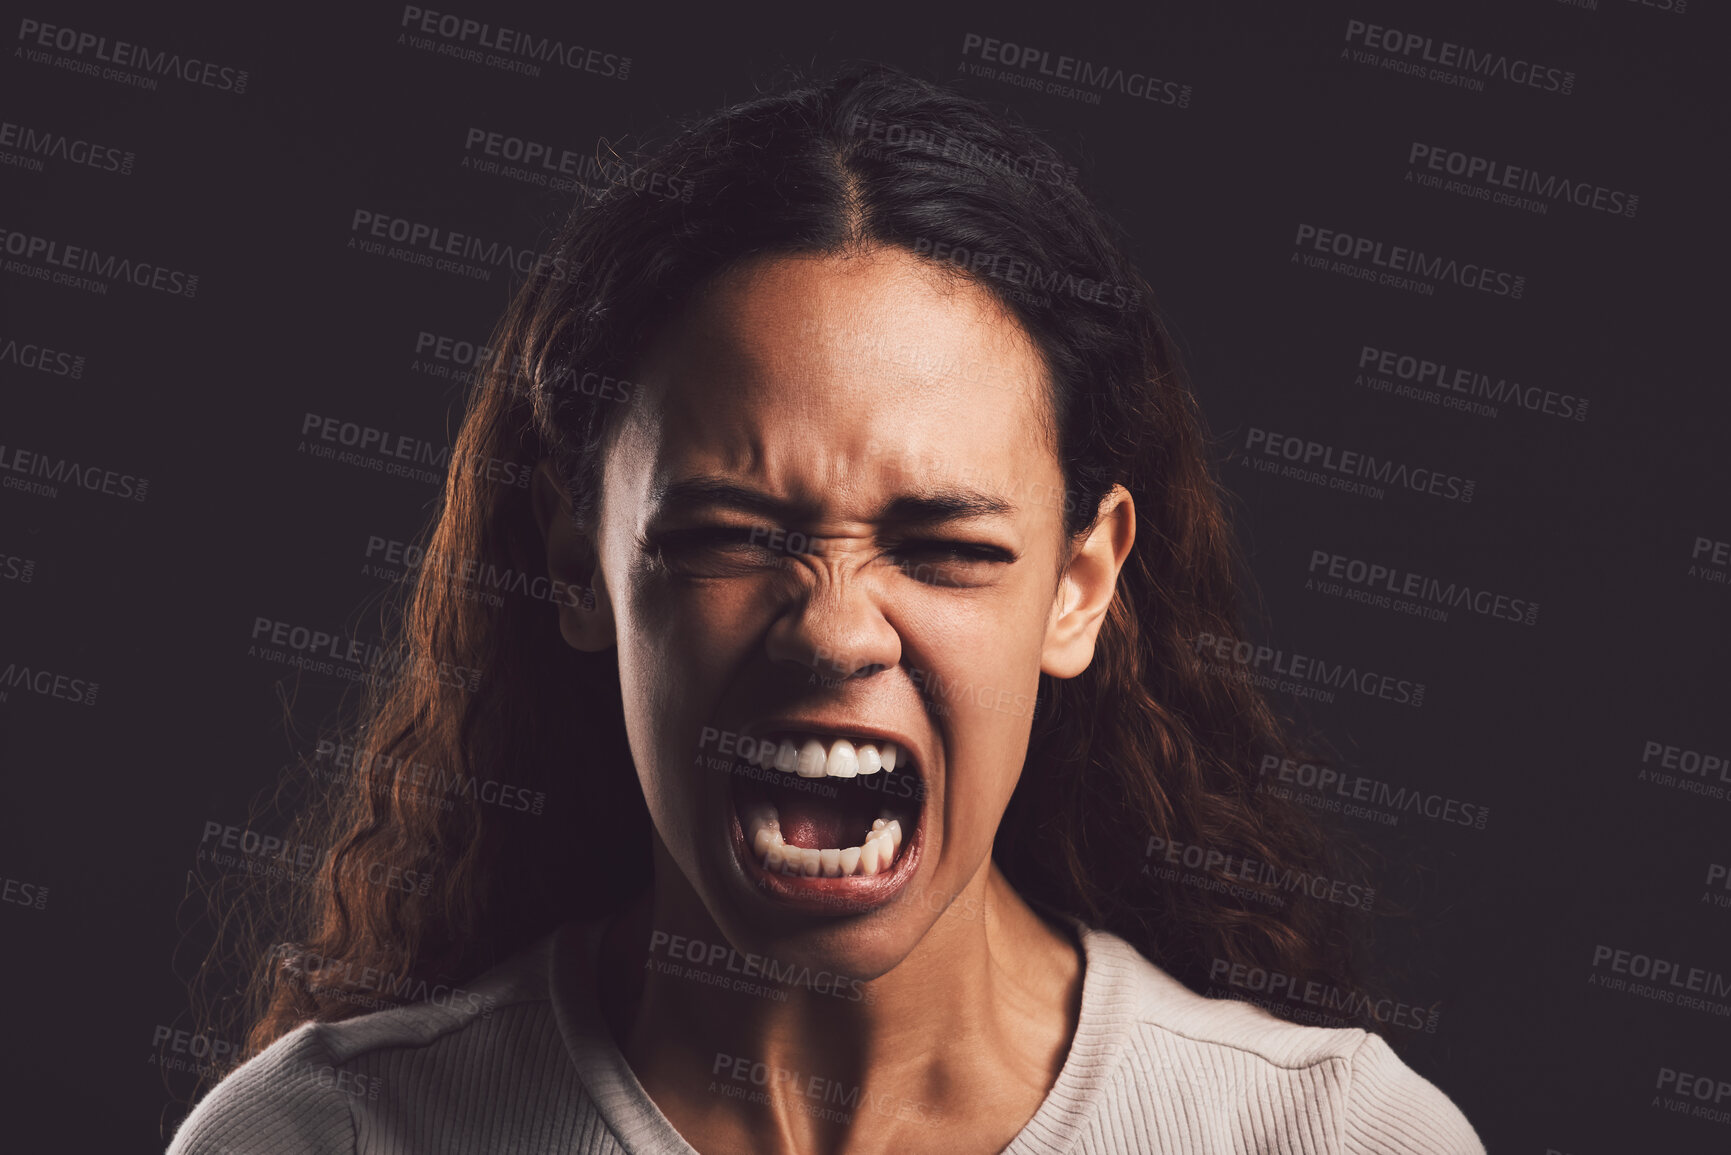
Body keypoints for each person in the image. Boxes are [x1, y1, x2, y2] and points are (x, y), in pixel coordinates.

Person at [168, 63, 1484, 1154]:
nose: (838, 628)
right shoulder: (323, 1139)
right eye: (734, 538)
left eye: (945, 546)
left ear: (1080, 588)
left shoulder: (1336, 1140)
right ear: (579, 568)